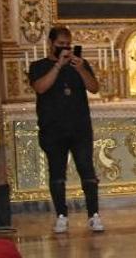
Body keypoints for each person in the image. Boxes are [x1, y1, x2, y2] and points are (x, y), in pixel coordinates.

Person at [29, 26, 104, 234]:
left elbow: (94, 88)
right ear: (51, 44)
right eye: (60, 45)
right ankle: (61, 215)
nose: (65, 49)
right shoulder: (39, 66)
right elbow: (40, 88)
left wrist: (80, 68)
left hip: (79, 127)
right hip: (53, 128)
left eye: (68, 45)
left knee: (87, 171)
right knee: (57, 173)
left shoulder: (79, 65)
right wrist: (58, 66)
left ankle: (93, 215)